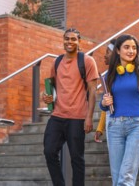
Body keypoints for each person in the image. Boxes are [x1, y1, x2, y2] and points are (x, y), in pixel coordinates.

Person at [42, 28, 99, 186]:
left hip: (77, 117)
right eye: (67, 39)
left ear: (79, 42)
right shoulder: (57, 61)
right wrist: (46, 97)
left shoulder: (87, 61)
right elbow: (51, 87)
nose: (70, 42)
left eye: (73, 39)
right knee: (49, 151)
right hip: (58, 115)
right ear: (63, 40)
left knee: (77, 159)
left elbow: (93, 91)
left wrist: (89, 117)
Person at [99, 34, 139, 186]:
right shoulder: (109, 76)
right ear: (117, 50)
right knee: (117, 177)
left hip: (137, 126)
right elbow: (103, 105)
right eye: (126, 47)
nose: (131, 51)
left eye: (134, 48)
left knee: (126, 176)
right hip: (114, 126)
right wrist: (104, 102)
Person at [94, 38, 116, 143]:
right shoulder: (108, 76)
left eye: (108, 52)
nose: (105, 55)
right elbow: (106, 104)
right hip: (111, 121)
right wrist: (100, 128)